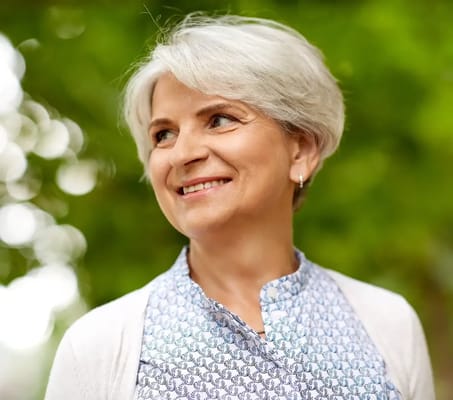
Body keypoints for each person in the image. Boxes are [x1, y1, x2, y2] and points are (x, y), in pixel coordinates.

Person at [45, 14, 435, 400]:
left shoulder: (389, 325)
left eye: (218, 120)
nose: (182, 154)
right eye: (164, 134)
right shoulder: (97, 347)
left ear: (301, 150)